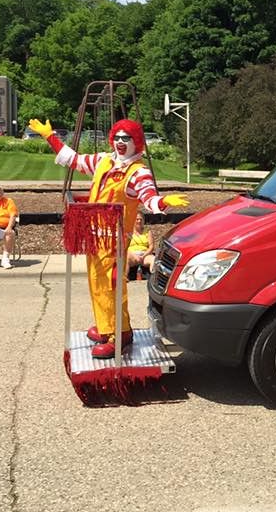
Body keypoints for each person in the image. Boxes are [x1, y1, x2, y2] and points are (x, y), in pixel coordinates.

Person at [28, 117, 188, 358]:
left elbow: (148, 196)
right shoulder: (104, 160)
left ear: (137, 142)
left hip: (115, 241)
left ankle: (118, 335)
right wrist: (50, 136)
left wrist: (163, 202)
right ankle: (107, 327)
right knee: (96, 283)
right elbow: (74, 160)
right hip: (95, 236)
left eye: (127, 138)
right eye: (117, 137)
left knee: (111, 285)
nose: (120, 142)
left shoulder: (138, 171)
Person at [127, 210, 155, 280]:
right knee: (126, 258)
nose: (139, 221)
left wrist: (143, 256)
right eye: (137, 219)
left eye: (141, 219)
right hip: (132, 255)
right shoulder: (129, 231)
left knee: (153, 259)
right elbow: (125, 247)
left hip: (144, 254)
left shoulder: (148, 231)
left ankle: (154, 279)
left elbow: (151, 247)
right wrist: (135, 256)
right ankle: (125, 277)